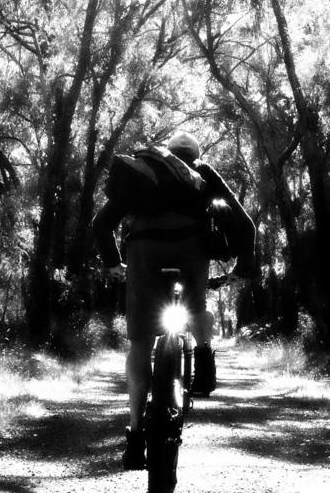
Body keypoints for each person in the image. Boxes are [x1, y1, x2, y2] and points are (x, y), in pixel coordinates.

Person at [91, 130, 254, 471]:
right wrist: (243, 267)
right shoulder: (202, 172)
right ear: (196, 154)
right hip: (191, 250)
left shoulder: (144, 173)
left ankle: (135, 435)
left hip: (143, 250)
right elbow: (245, 225)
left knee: (139, 343)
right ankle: (205, 356)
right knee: (196, 308)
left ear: (166, 154)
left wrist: (111, 264)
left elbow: (101, 223)